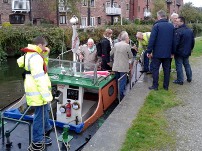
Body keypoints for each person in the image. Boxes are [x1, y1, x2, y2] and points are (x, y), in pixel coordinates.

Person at [17, 36, 53, 150]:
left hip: (32, 88)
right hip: (37, 91)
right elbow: (39, 77)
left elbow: (44, 66)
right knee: (40, 115)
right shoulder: (36, 58)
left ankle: (47, 128)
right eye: (44, 46)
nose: (45, 48)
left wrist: (45, 55)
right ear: (40, 45)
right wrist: (47, 95)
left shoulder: (31, 55)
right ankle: (37, 139)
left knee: (44, 110)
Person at [147, 10, 175, 90]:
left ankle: (155, 86)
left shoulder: (156, 26)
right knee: (167, 70)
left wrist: (149, 51)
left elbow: (152, 39)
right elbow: (174, 41)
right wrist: (172, 52)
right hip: (167, 52)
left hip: (157, 53)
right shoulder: (171, 26)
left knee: (155, 69)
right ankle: (166, 87)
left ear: (159, 16)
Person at [110, 31, 133, 100]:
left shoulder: (116, 44)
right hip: (123, 67)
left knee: (117, 81)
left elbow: (111, 53)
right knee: (122, 81)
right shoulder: (127, 46)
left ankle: (117, 95)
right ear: (126, 38)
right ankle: (121, 96)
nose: (128, 39)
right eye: (128, 37)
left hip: (115, 66)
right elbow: (131, 56)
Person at [173, 16, 195, 85]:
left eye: (177, 21)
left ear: (182, 22)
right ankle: (189, 78)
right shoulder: (189, 30)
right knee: (187, 64)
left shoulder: (178, 31)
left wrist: (173, 52)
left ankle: (180, 80)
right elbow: (192, 41)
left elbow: (175, 43)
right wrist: (191, 49)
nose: (176, 22)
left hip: (179, 52)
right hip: (187, 51)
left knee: (179, 65)